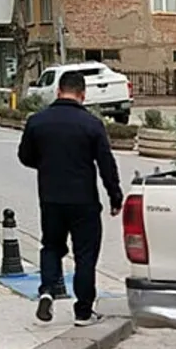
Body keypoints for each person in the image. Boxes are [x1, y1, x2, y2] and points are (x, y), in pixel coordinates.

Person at [18, 71, 123, 325]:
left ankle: (46, 291)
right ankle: (83, 311)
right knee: (85, 254)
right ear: (83, 95)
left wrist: (47, 164)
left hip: (51, 198)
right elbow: (106, 163)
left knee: (52, 246)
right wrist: (115, 195)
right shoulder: (91, 124)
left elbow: (25, 156)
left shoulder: (37, 121)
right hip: (84, 201)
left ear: (58, 91)